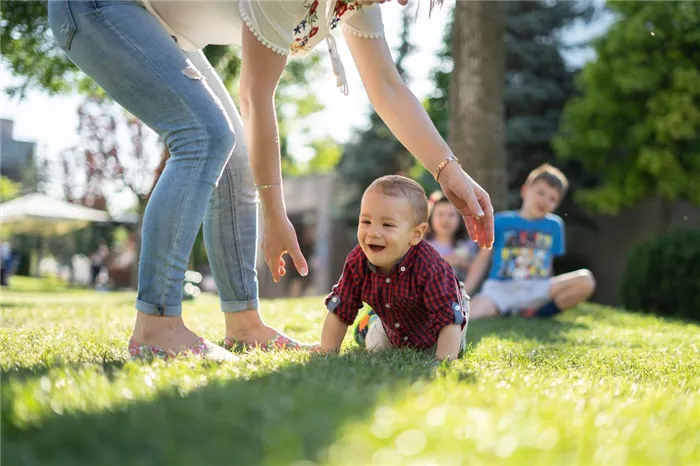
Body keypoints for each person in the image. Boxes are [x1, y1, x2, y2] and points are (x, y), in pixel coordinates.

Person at [47, 0, 493, 361]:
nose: (402, 1)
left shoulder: (359, 2)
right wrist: (275, 215)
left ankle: (243, 324)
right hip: (99, 8)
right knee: (206, 133)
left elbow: (388, 89)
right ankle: (156, 326)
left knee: (236, 153)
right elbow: (255, 96)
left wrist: (448, 171)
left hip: (163, 27)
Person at [320, 176, 469, 361]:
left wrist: (443, 364)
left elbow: (448, 320)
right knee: (377, 348)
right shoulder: (357, 262)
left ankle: (372, 321)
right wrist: (326, 355)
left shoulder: (431, 267)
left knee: (453, 349)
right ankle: (369, 324)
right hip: (394, 326)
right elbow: (340, 309)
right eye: (366, 222)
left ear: (416, 234)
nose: (373, 233)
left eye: (387, 225)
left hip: (439, 327)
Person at [465, 164, 596, 319]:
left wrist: (549, 290)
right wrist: (465, 292)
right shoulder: (500, 221)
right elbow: (483, 259)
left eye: (552, 199)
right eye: (541, 192)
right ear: (525, 190)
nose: (545, 201)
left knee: (586, 280)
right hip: (501, 289)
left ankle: (536, 314)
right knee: (468, 315)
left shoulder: (554, 225)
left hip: (537, 288)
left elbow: (549, 264)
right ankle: (509, 310)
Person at [426, 191, 479, 281]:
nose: (445, 220)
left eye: (451, 215)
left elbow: (478, 271)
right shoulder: (423, 246)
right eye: (440, 214)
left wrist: (463, 263)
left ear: (460, 219)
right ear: (431, 218)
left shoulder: (468, 245)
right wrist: (448, 260)